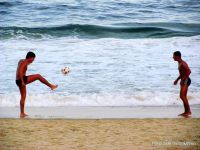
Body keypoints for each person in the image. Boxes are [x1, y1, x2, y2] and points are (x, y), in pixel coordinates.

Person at [16, 51, 58, 118]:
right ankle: (51, 86)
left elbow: (19, 70)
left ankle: (22, 113)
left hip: (18, 80)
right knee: (38, 76)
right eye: (33, 59)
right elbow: (20, 72)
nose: (33, 60)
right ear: (29, 57)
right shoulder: (25, 63)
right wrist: (23, 82)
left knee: (23, 97)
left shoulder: (21, 61)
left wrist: (21, 80)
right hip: (21, 80)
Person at [173, 51, 191, 117]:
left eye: (174, 56)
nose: (173, 57)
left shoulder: (183, 63)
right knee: (183, 96)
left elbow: (189, 71)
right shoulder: (179, 63)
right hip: (184, 80)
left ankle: (188, 111)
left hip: (186, 80)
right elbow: (182, 73)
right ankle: (186, 111)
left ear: (177, 56)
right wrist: (177, 80)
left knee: (182, 96)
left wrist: (184, 79)